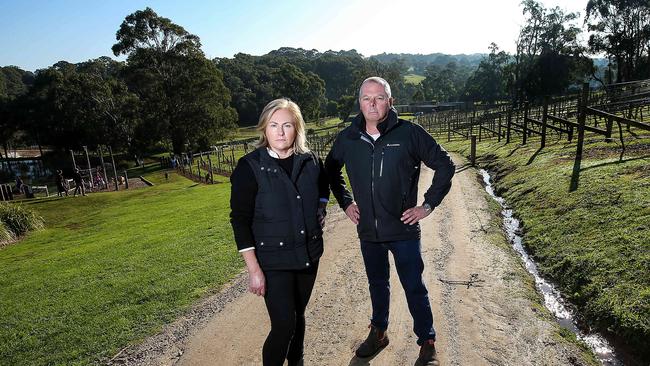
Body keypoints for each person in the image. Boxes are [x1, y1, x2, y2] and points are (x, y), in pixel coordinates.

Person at [325, 77, 455, 366]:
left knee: (414, 286)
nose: (372, 103)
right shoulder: (348, 138)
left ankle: (427, 341)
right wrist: (346, 202)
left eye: (379, 97)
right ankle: (379, 332)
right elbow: (330, 170)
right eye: (366, 98)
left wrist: (427, 205)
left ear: (390, 101)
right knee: (377, 283)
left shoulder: (409, 133)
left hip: (403, 230)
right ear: (359, 102)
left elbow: (445, 164)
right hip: (368, 231)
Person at [229, 98, 329, 366]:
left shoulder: (310, 161)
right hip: (273, 260)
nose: (280, 132)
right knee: (284, 325)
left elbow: (323, 189)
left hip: (308, 254)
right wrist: (253, 270)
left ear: (297, 129)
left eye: (287, 125)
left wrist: (321, 208)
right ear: (264, 128)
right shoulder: (249, 168)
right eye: (274, 125)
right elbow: (239, 220)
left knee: (299, 316)